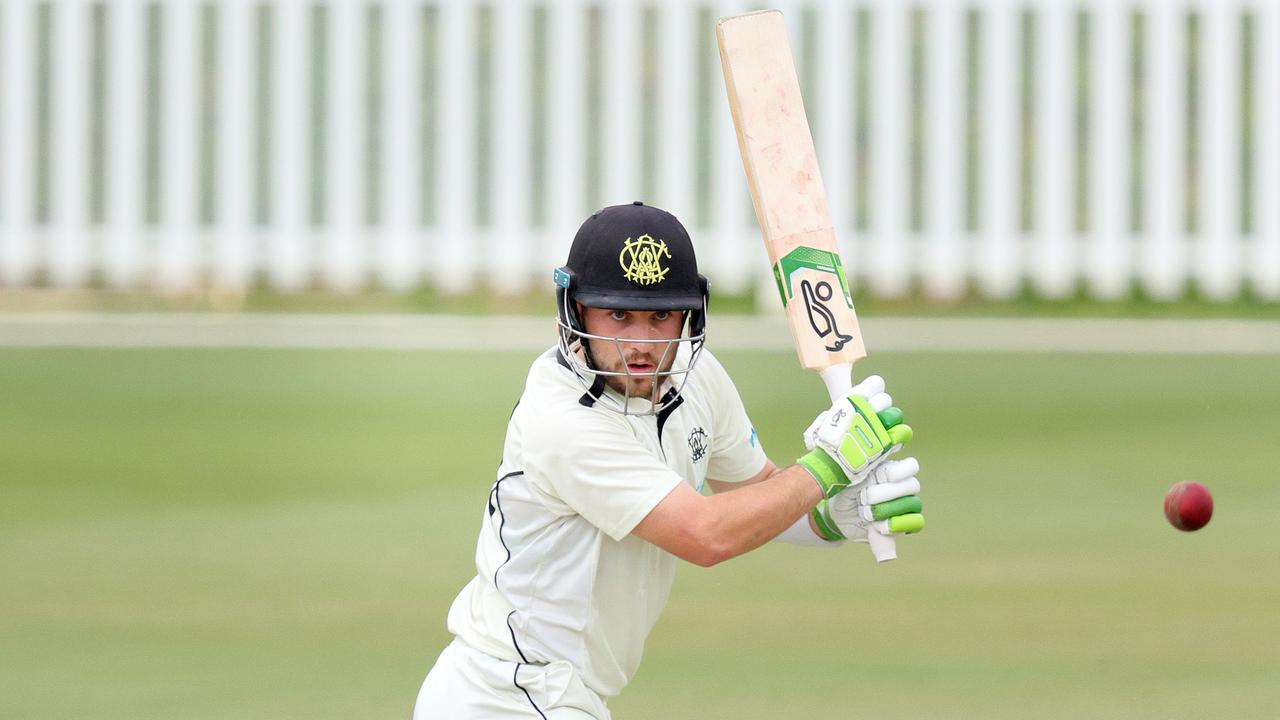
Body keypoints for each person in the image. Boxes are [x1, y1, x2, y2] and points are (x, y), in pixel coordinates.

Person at [413, 202, 925, 719]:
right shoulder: (562, 421)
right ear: (574, 312)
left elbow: (758, 493)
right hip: (505, 694)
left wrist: (830, 516)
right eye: (618, 314)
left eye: (660, 316)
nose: (640, 344)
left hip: (558, 694)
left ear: (689, 313)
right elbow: (705, 534)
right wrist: (827, 468)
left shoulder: (696, 377)